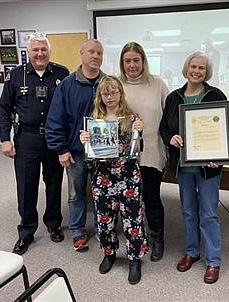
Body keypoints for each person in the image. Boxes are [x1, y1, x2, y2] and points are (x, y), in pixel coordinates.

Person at [0, 33, 69, 255]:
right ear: (28, 53)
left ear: (49, 51)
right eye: (35, 50)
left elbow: (68, 107)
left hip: (54, 137)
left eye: (43, 49)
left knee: (54, 183)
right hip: (26, 138)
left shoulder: (62, 73)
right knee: (26, 186)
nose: (40, 53)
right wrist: (4, 138)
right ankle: (26, 231)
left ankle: (53, 224)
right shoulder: (16, 75)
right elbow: (4, 108)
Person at [159, 51, 227, 284]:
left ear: (206, 72)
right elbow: (163, 128)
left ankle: (214, 261)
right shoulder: (174, 97)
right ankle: (192, 252)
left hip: (208, 167)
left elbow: (224, 130)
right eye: (193, 67)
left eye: (201, 68)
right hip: (184, 166)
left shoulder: (215, 94)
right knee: (188, 211)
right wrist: (171, 139)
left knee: (208, 213)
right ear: (186, 69)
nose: (196, 71)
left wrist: (219, 154)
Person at [80, 75, 148, 285]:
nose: (110, 97)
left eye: (114, 92)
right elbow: (90, 155)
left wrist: (139, 133)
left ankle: (134, 259)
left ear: (120, 94)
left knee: (133, 219)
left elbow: (139, 150)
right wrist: (85, 141)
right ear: (100, 96)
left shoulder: (131, 118)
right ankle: (109, 253)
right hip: (103, 178)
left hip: (128, 177)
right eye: (105, 93)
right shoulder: (94, 119)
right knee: (104, 219)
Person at [45, 39, 105, 252]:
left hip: (102, 153)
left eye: (99, 53)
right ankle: (78, 231)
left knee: (102, 193)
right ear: (81, 54)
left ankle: (102, 229)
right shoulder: (68, 85)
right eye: (91, 52)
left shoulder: (108, 83)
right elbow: (55, 120)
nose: (95, 56)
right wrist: (61, 149)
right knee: (75, 194)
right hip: (76, 153)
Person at [119, 42, 169, 261]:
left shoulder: (157, 84)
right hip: (123, 154)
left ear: (143, 61)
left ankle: (157, 238)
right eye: (127, 61)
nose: (132, 65)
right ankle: (136, 238)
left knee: (151, 197)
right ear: (122, 63)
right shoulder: (115, 84)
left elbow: (169, 118)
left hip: (151, 151)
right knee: (129, 200)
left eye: (136, 60)